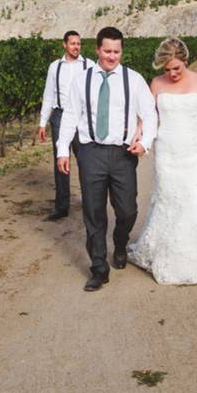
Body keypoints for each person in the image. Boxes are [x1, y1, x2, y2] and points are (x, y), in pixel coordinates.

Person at [56, 27, 158, 292]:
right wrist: (63, 150)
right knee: (94, 211)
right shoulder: (82, 80)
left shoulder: (133, 80)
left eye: (117, 51)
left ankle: (121, 242)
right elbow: (70, 115)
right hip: (91, 151)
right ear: (97, 50)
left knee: (127, 210)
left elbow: (150, 114)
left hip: (123, 154)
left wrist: (144, 143)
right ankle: (99, 267)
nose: (112, 56)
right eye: (107, 51)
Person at [127, 38, 197, 285]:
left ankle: (194, 253)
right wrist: (138, 133)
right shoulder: (156, 84)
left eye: (177, 68)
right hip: (167, 151)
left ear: (185, 60)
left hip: (195, 151)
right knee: (169, 197)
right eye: (167, 69)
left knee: (192, 199)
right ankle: (167, 253)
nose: (172, 73)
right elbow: (147, 116)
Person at [38, 31, 95, 221]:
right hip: (60, 116)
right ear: (64, 45)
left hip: (82, 118)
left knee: (85, 160)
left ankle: (90, 202)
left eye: (79, 44)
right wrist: (42, 122)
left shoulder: (90, 65)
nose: (76, 47)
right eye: (72, 44)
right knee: (60, 162)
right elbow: (48, 95)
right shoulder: (55, 67)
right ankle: (62, 206)